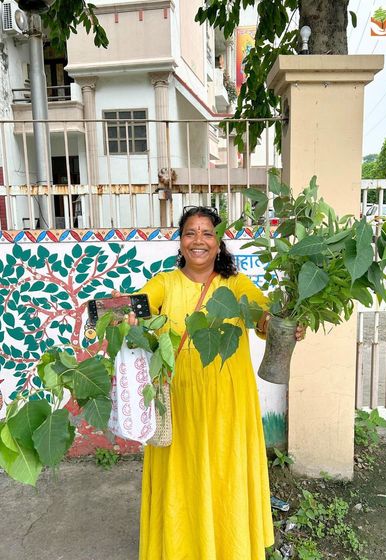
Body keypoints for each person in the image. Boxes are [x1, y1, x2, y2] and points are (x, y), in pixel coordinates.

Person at [120, 206, 304, 560]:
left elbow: (264, 318)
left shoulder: (235, 285)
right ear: (181, 241)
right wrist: (125, 315)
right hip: (180, 402)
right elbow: (140, 304)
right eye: (191, 232)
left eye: (207, 233)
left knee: (225, 475)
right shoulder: (165, 283)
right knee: (182, 477)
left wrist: (286, 326)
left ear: (218, 243)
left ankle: (228, 548)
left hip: (228, 402)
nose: (199, 240)